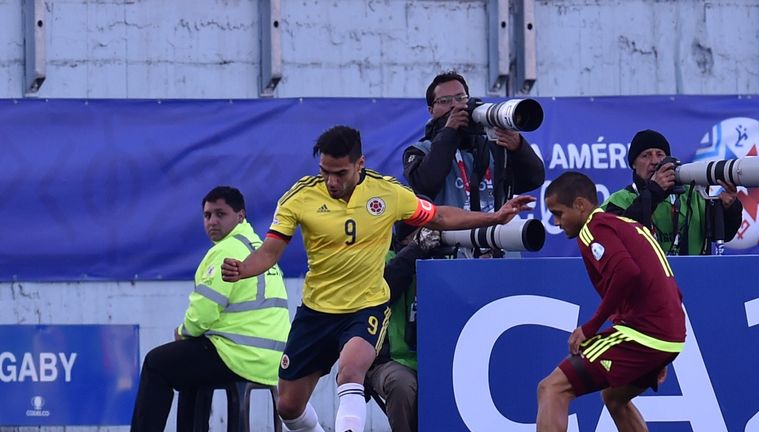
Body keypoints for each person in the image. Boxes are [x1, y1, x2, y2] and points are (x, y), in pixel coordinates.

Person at [220, 125, 534, 432]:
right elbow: (269, 252)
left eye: (340, 173)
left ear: (360, 164)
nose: (331, 180)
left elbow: (439, 216)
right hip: (316, 312)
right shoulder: (300, 197)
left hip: (366, 307)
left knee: (352, 372)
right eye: (324, 171)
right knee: (288, 406)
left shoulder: (387, 193)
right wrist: (243, 269)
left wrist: (493, 217)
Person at [131, 186, 290, 431]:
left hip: (240, 356)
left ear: (240, 216)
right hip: (273, 360)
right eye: (207, 215)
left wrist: (183, 332)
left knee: (156, 363)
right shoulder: (259, 248)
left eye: (220, 214)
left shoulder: (225, 250)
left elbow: (203, 314)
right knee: (188, 367)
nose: (212, 221)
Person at [538, 172, 686, 431]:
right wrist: (662, 350)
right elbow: (670, 286)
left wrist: (590, 327)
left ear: (581, 205)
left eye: (559, 213)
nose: (557, 222)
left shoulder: (593, 229)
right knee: (615, 397)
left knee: (551, 388)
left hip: (645, 334)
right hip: (667, 333)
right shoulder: (629, 225)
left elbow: (627, 272)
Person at [402, 71, 545, 254]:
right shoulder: (420, 150)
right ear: (431, 110)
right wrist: (449, 133)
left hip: (500, 250)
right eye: (444, 101)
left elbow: (533, 179)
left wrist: (518, 147)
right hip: (451, 255)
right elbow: (425, 184)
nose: (454, 105)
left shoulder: (493, 145)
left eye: (460, 98)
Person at [603, 129, 743, 255]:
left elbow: (725, 235)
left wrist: (729, 208)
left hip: (695, 277)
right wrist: (654, 192)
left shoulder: (693, 195)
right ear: (633, 164)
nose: (654, 161)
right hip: (644, 281)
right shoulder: (618, 200)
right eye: (646, 155)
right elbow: (616, 239)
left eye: (660, 154)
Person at [365, 226, 442, 432]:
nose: (428, 236)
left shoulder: (447, 258)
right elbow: (385, 288)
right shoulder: (379, 257)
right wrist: (416, 250)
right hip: (388, 360)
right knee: (401, 383)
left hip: (439, 361)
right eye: (417, 231)